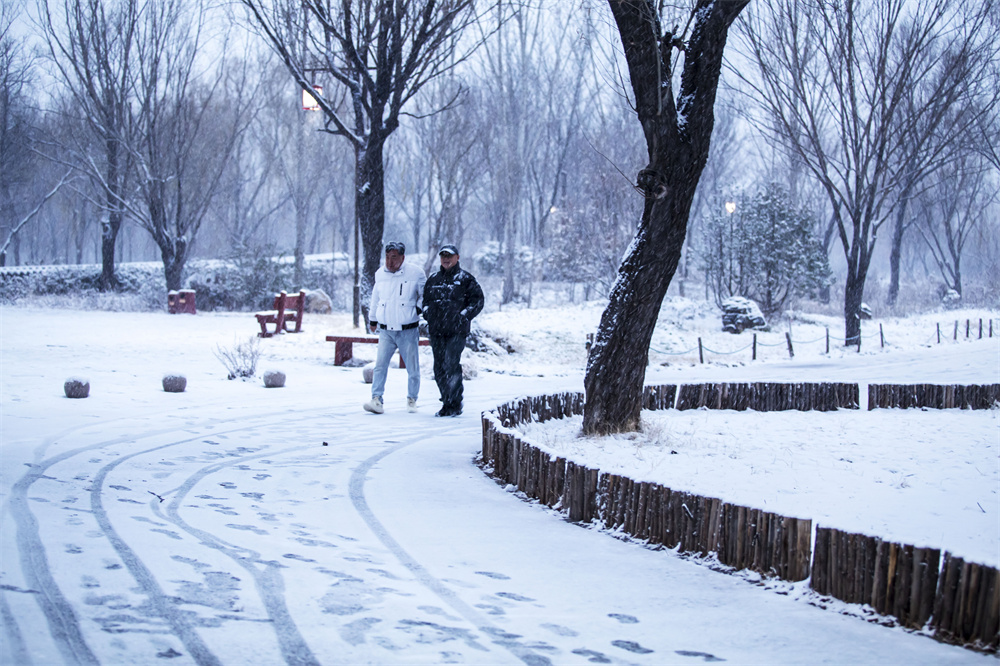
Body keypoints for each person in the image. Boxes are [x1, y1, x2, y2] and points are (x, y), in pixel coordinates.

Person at [364, 241, 426, 414]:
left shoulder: (416, 273)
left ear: (402, 257)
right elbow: (376, 299)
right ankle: (376, 399)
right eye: (387, 257)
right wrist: (373, 319)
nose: (390, 262)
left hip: (407, 329)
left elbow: (424, 295)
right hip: (386, 330)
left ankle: (412, 399)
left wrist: (418, 309)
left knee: (412, 368)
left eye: (394, 257)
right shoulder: (380, 275)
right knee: (380, 366)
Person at [422, 244, 484, 417]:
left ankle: (455, 402)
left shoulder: (466, 279)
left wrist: (464, 315)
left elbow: (478, 301)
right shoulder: (433, 279)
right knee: (439, 367)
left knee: (451, 363)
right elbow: (425, 301)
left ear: (457, 258)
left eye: (449, 256)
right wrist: (427, 313)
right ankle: (446, 401)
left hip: (456, 331)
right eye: (443, 256)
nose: (446, 259)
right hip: (437, 331)